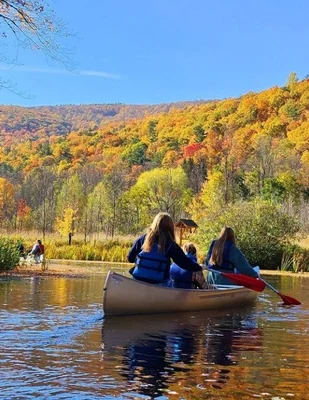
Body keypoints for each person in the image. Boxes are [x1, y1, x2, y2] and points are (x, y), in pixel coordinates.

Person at [127, 212, 203, 286]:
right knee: (173, 283)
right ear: (170, 227)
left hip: (137, 281)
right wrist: (199, 267)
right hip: (159, 284)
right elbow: (184, 263)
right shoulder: (170, 244)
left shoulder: (142, 239)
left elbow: (130, 258)